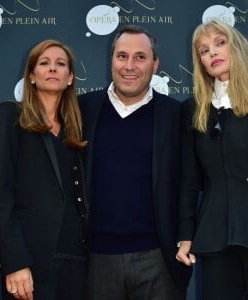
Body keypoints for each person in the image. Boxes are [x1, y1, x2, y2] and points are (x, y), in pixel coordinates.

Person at [78, 25, 192, 300]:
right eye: (122, 56)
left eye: (140, 57)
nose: (130, 66)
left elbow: (189, 182)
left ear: (155, 65)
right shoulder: (81, 109)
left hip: (159, 260)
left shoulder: (176, 114)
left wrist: (185, 236)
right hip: (95, 261)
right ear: (112, 60)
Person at [0, 39, 89, 300]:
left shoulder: (77, 129)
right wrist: (15, 262)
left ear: (70, 77)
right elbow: (0, 195)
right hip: (30, 262)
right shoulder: (10, 116)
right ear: (31, 75)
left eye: (60, 64)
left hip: (78, 260)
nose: (53, 68)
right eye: (44, 63)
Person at [176, 20, 248, 300]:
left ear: (237, 47)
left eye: (220, 43)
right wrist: (185, 234)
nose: (212, 53)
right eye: (204, 50)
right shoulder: (193, 110)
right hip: (215, 236)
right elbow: (189, 181)